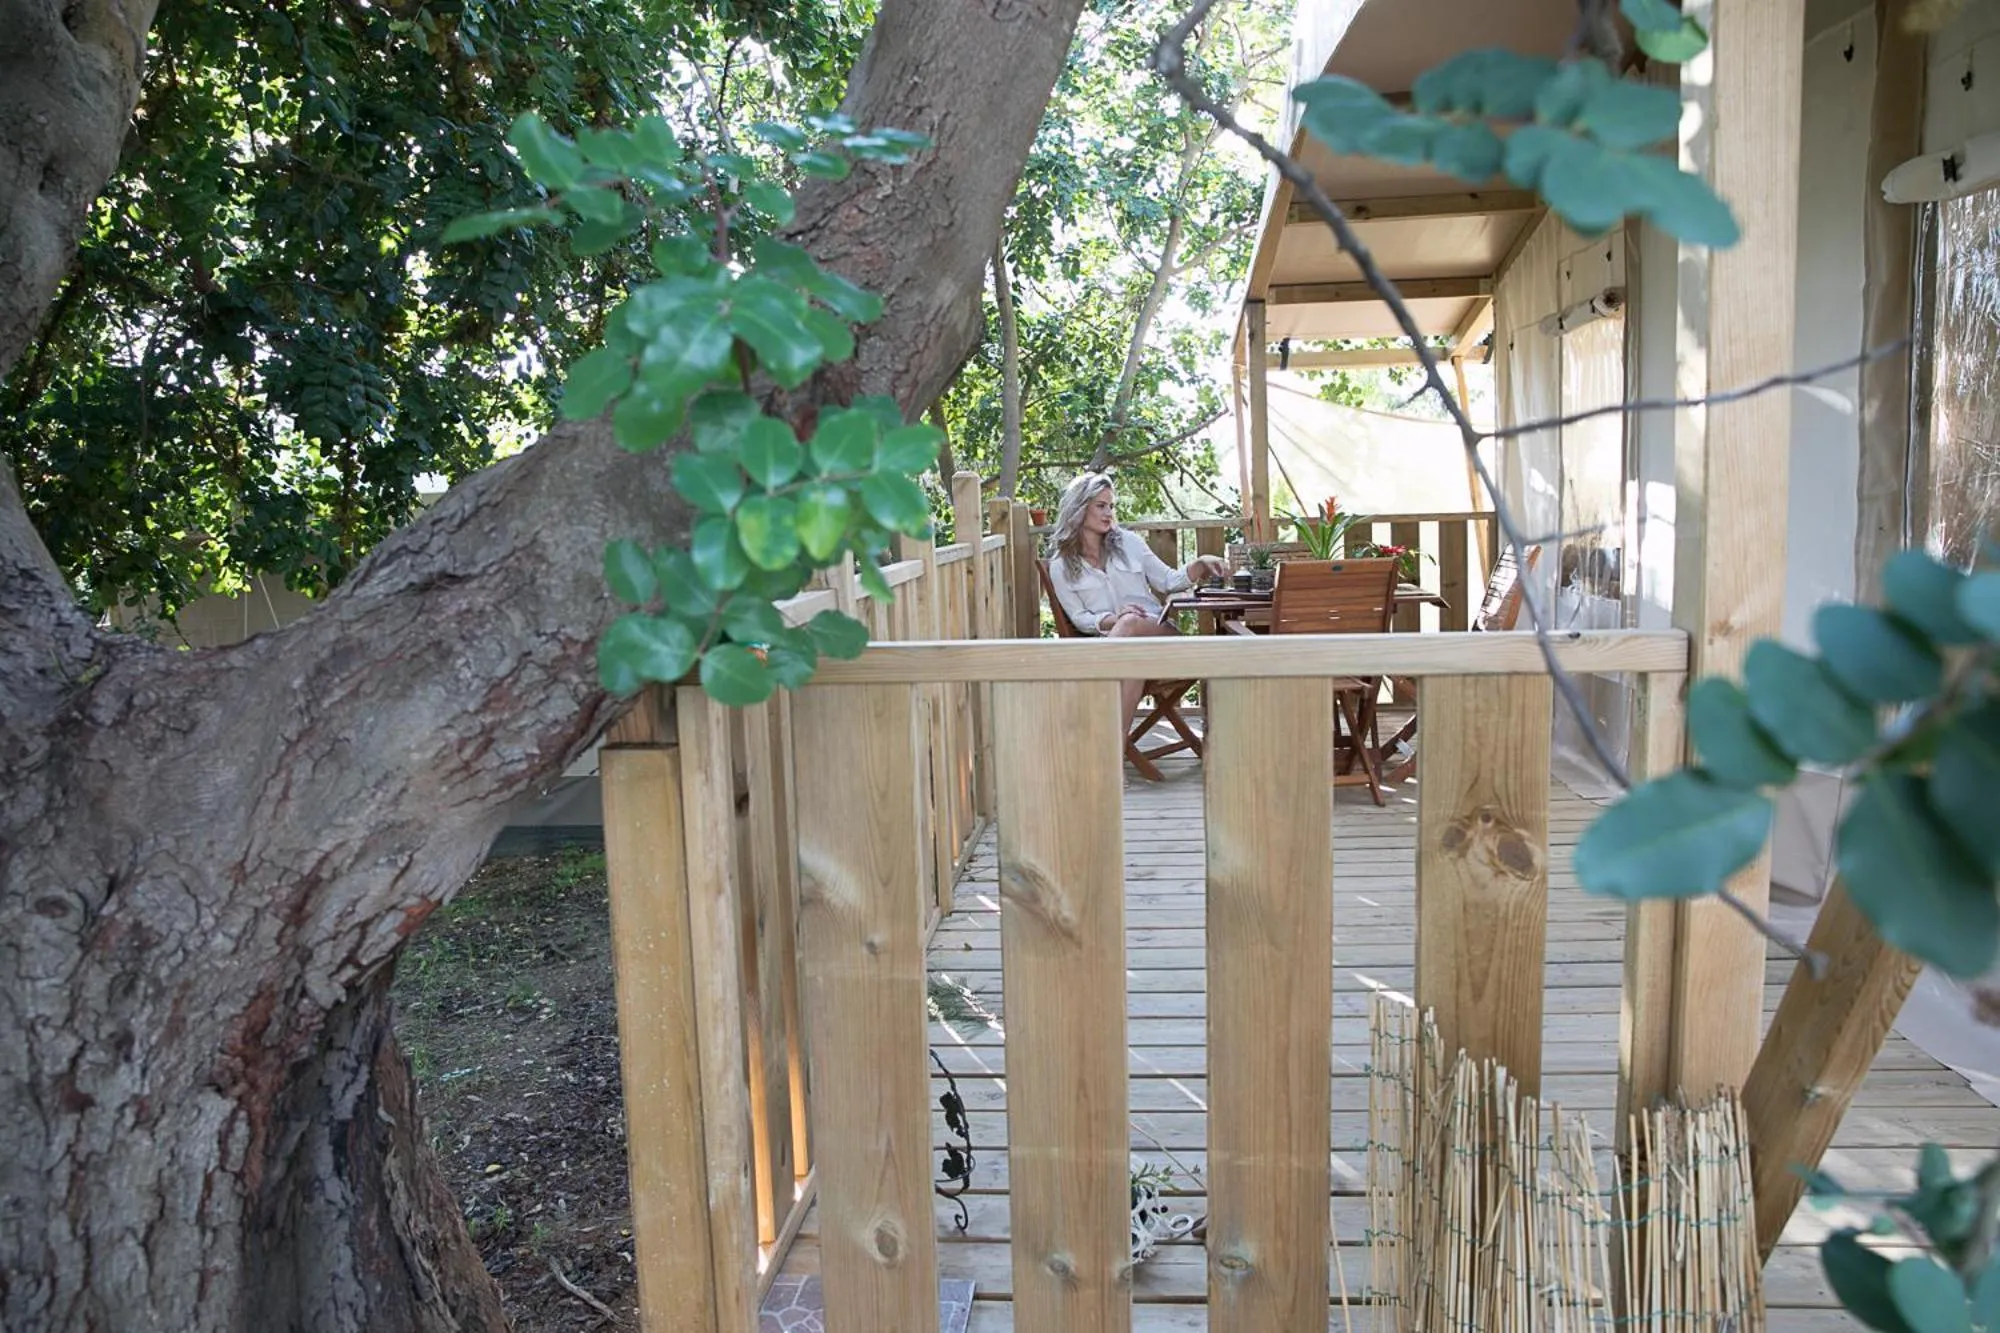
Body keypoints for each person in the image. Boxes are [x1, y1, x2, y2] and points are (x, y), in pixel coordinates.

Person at [1045, 471, 1228, 732]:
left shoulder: (1129, 543)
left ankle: (1093, 681)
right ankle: (1111, 762)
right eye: (1100, 506)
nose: (1109, 513)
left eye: (1111, 506)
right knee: (1130, 666)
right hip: (1123, 652)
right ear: (1079, 508)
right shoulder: (1061, 566)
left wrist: (1199, 564)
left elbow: (1168, 581)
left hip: (1159, 634)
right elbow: (1080, 619)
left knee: (1131, 622)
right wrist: (1114, 619)